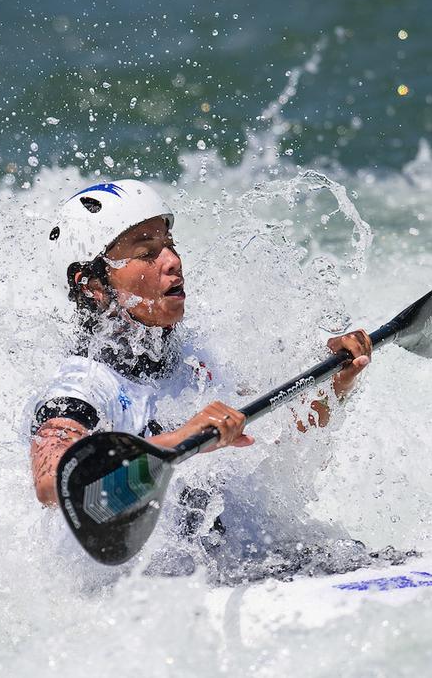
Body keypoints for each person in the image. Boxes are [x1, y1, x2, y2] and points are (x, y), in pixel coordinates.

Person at [27, 179, 372, 511]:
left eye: (170, 245)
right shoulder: (81, 388)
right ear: (92, 286)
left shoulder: (196, 355)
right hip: (148, 571)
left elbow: (280, 459)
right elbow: (53, 482)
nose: (173, 261)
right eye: (147, 252)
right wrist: (183, 439)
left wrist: (334, 387)